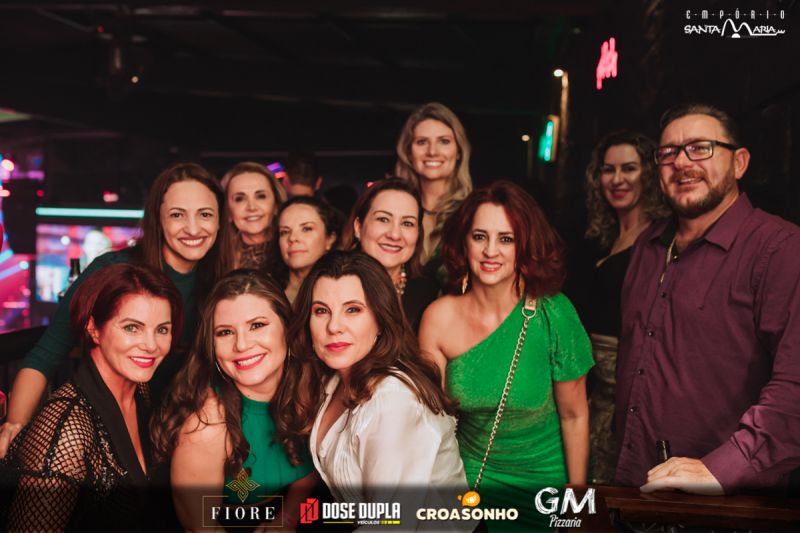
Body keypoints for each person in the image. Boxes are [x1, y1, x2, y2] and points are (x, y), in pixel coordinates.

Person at [615, 103, 800, 494]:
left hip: (724, 505)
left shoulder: (780, 249)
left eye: (701, 148)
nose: (682, 163)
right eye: (668, 153)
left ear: (739, 162)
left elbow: (795, 384)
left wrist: (724, 467)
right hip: (635, 490)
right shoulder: (647, 245)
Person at [0, 162, 229, 457]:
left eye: (205, 214)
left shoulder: (221, 282)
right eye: (177, 215)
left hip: (180, 436)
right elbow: (45, 355)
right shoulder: (111, 271)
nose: (193, 228)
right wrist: (15, 424)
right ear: (158, 220)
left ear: (220, 221)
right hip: (111, 431)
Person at [420, 181, 594, 532]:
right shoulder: (438, 318)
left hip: (544, 486)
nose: (490, 251)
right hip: (468, 481)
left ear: (525, 246)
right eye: (479, 237)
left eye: (506, 239)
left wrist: (577, 504)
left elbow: (575, 416)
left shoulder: (554, 313)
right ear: (464, 242)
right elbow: (429, 422)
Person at [275, 251, 472, 532]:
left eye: (352, 310)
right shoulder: (331, 381)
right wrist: (286, 520)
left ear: (380, 319)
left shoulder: (392, 400)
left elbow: (393, 524)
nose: (334, 326)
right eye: (321, 311)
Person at [0, 263, 183, 531]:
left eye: (162, 330)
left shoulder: (138, 388)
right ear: (93, 328)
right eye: (132, 328)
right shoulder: (67, 434)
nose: (151, 345)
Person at [152, 269, 315, 531]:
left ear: (287, 328)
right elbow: (200, 527)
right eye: (225, 332)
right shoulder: (206, 424)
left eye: (257, 325)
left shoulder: (309, 386)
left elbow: (308, 473)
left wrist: (285, 520)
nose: (241, 345)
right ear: (212, 345)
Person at [581, 130, 670, 484]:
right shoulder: (601, 237)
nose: (617, 179)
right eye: (608, 170)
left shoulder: (662, 239)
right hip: (593, 384)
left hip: (628, 383)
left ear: (648, 173)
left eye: (629, 168)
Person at [340, 177, 439, 330]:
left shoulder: (429, 291)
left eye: (407, 223)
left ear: (418, 234)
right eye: (383, 219)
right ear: (358, 227)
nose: (394, 234)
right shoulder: (332, 283)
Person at [394, 102, 473, 284]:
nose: (432, 152)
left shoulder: (473, 212)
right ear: (408, 152)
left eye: (444, 141)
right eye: (422, 142)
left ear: (459, 151)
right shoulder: (392, 210)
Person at [274, 196, 341, 304]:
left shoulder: (345, 290)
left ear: (330, 239)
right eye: (285, 232)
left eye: (306, 229)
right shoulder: (266, 292)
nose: (292, 238)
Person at [221, 162, 287, 270]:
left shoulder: (294, 251)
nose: (251, 207)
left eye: (261, 196)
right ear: (228, 211)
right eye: (239, 199)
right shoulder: (217, 260)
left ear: (276, 205)